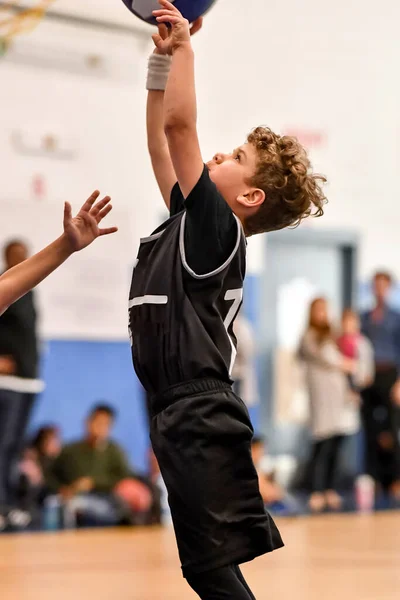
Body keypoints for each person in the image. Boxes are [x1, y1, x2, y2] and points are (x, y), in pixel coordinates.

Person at [128, 2, 326, 598]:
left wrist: (187, 48)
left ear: (251, 196)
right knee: (206, 569)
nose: (218, 154)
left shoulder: (219, 231)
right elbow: (159, 145)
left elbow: (179, 131)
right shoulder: (194, 220)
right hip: (176, 408)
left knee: (210, 570)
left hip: (198, 411)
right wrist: (159, 68)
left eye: (236, 158)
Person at [0, 191, 117, 530]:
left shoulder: (26, 295)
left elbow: (7, 286)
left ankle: (7, 505)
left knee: (13, 447)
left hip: (27, 378)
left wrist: (68, 245)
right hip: (8, 383)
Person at [47, 404, 154, 527]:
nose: (100, 427)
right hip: (76, 499)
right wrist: (62, 489)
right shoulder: (70, 451)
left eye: (105, 424)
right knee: (71, 505)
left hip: (107, 498)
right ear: (88, 421)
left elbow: (124, 476)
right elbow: (50, 474)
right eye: (97, 422)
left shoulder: (114, 450)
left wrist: (93, 483)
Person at [299, 299, 358, 512]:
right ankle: (315, 490)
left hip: (337, 399)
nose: (323, 314)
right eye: (319, 310)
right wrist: (348, 364)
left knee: (335, 445)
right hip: (321, 400)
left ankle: (330, 489)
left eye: (325, 310)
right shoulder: (308, 337)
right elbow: (329, 359)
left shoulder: (333, 336)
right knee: (320, 445)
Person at [361, 271, 400, 499]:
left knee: (392, 429)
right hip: (368, 376)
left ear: (389, 288)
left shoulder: (395, 316)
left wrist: (398, 383)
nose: (379, 289)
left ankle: (395, 478)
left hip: (390, 375)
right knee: (370, 430)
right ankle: (373, 478)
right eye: (376, 285)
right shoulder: (365, 316)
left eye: (384, 286)